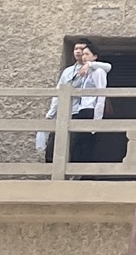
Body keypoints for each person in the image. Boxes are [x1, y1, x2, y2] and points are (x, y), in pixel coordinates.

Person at [39, 40, 110, 168]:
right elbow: (58, 92)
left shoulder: (96, 69)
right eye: (76, 49)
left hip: (81, 111)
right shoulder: (68, 71)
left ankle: (77, 173)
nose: (79, 52)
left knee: (78, 144)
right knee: (54, 145)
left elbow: (107, 69)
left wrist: (89, 65)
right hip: (66, 111)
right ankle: (53, 171)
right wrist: (51, 114)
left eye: (83, 50)